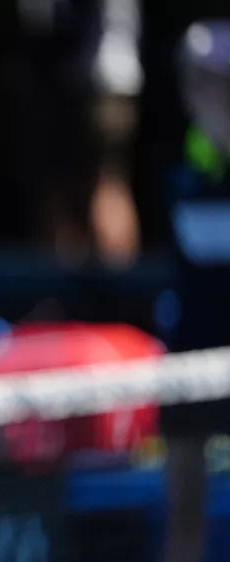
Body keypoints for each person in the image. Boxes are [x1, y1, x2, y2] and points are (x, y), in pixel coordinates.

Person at [159, 18, 230, 562]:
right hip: (189, 357)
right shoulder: (180, 160)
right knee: (183, 514)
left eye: (222, 79)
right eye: (201, 78)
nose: (211, 90)